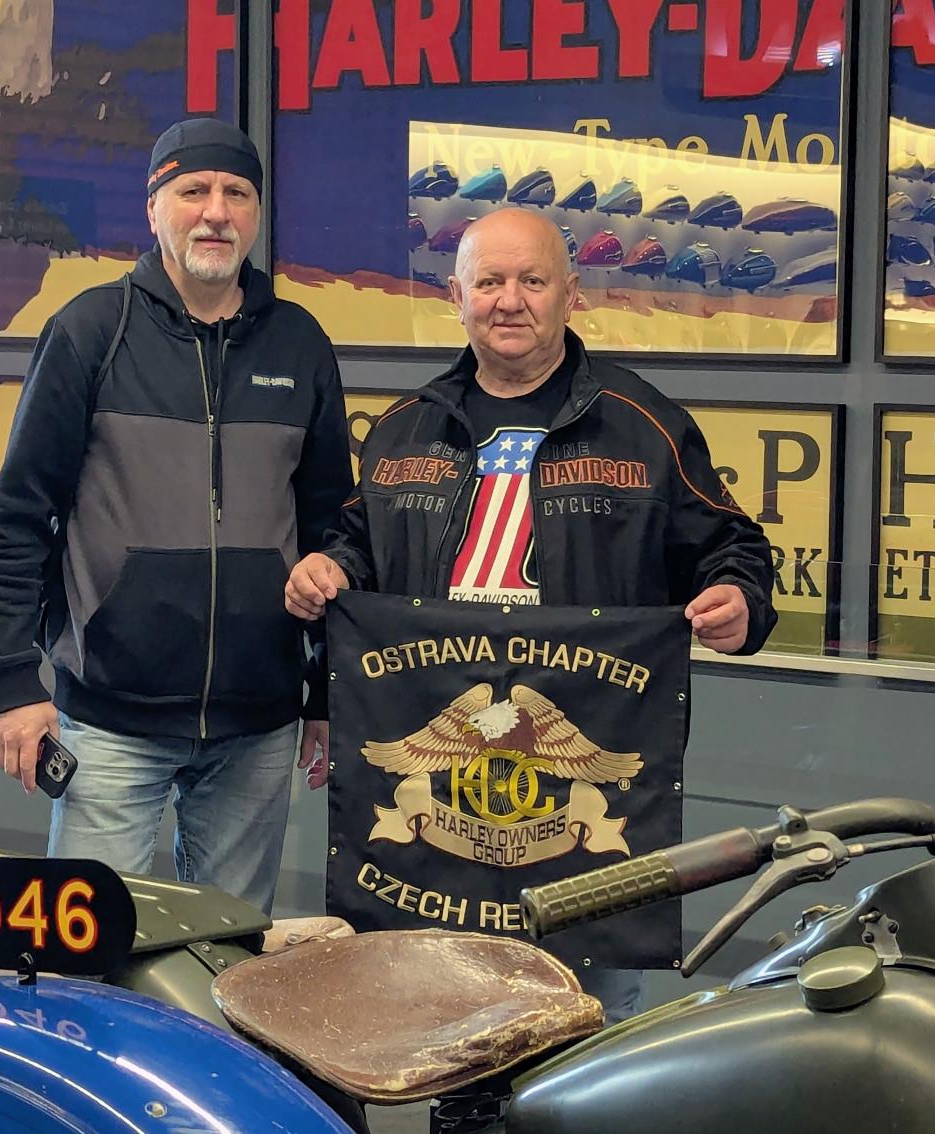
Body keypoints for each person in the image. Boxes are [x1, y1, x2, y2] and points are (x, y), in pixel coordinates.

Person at [284, 206, 778, 1022]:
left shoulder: (645, 424)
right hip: (436, 799)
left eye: (531, 281)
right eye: (488, 282)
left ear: (571, 294)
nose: (509, 300)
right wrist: (327, 570)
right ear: (456, 297)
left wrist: (741, 601)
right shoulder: (404, 429)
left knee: (585, 1027)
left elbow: (733, 545)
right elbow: (357, 545)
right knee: (433, 1025)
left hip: (582, 783)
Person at [0, 118, 352, 915]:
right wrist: (11, 685)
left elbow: (332, 534)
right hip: (110, 721)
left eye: (236, 193)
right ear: (153, 210)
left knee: (228, 953)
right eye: (193, 191)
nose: (215, 211)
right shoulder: (90, 332)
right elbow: (19, 519)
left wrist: (324, 694)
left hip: (258, 724)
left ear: (256, 214)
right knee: (87, 955)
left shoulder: (300, 345)